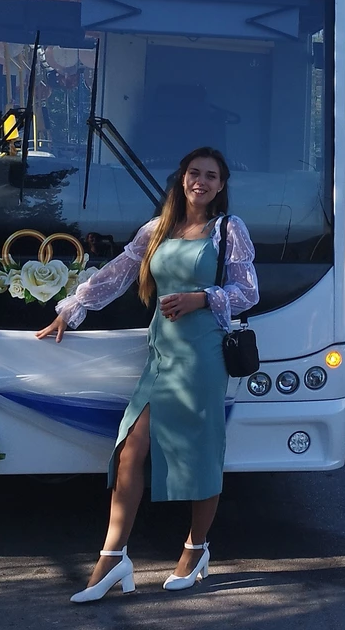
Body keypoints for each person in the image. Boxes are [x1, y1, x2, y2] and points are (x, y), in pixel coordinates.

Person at [36, 146, 259, 602]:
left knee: (200, 453)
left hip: (202, 358)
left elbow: (248, 291)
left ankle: (196, 548)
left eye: (211, 176)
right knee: (129, 452)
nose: (201, 181)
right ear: (182, 179)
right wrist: (72, 308)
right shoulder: (158, 229)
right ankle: (113, 557)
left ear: (221, 185)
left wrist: (201, 297)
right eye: (194, 173)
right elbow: (118, 272)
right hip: (161, 356)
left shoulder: (228, 230)